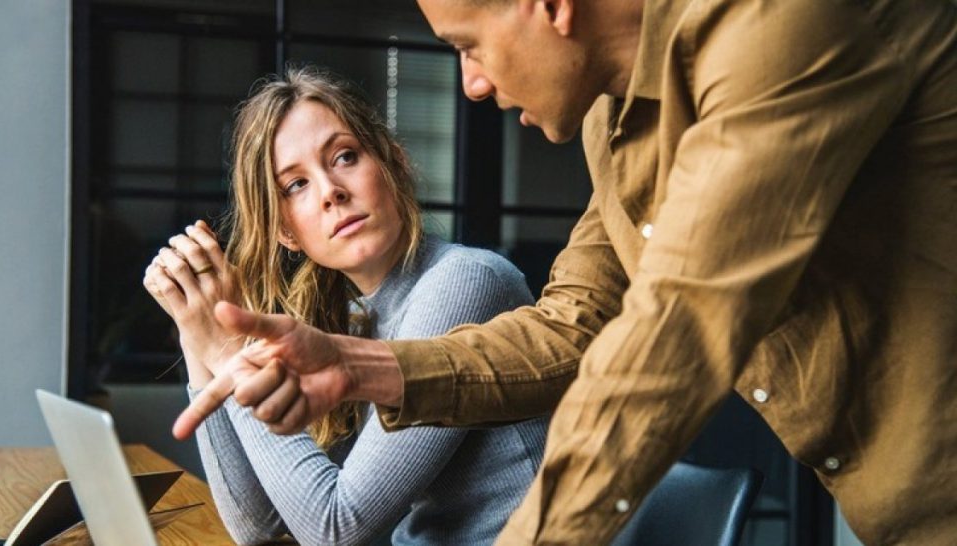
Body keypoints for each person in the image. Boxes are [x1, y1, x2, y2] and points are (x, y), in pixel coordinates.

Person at [176, 0, 957, 544]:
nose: (472, 84)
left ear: (547, 4)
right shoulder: (613, 123)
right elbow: (573, 325)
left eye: (467, 46)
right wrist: (353, 364)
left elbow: (675, 335)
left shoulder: (779, 28)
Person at [145, 66, 549, 545]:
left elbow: (335, 530)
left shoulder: (464, 282)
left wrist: (229, 351)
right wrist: (197, 328)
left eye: (344, 157)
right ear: (285, 231)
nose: (330, 191)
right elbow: (254, 526)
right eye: (296, 185)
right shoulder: (356, 319)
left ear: (395, 164)